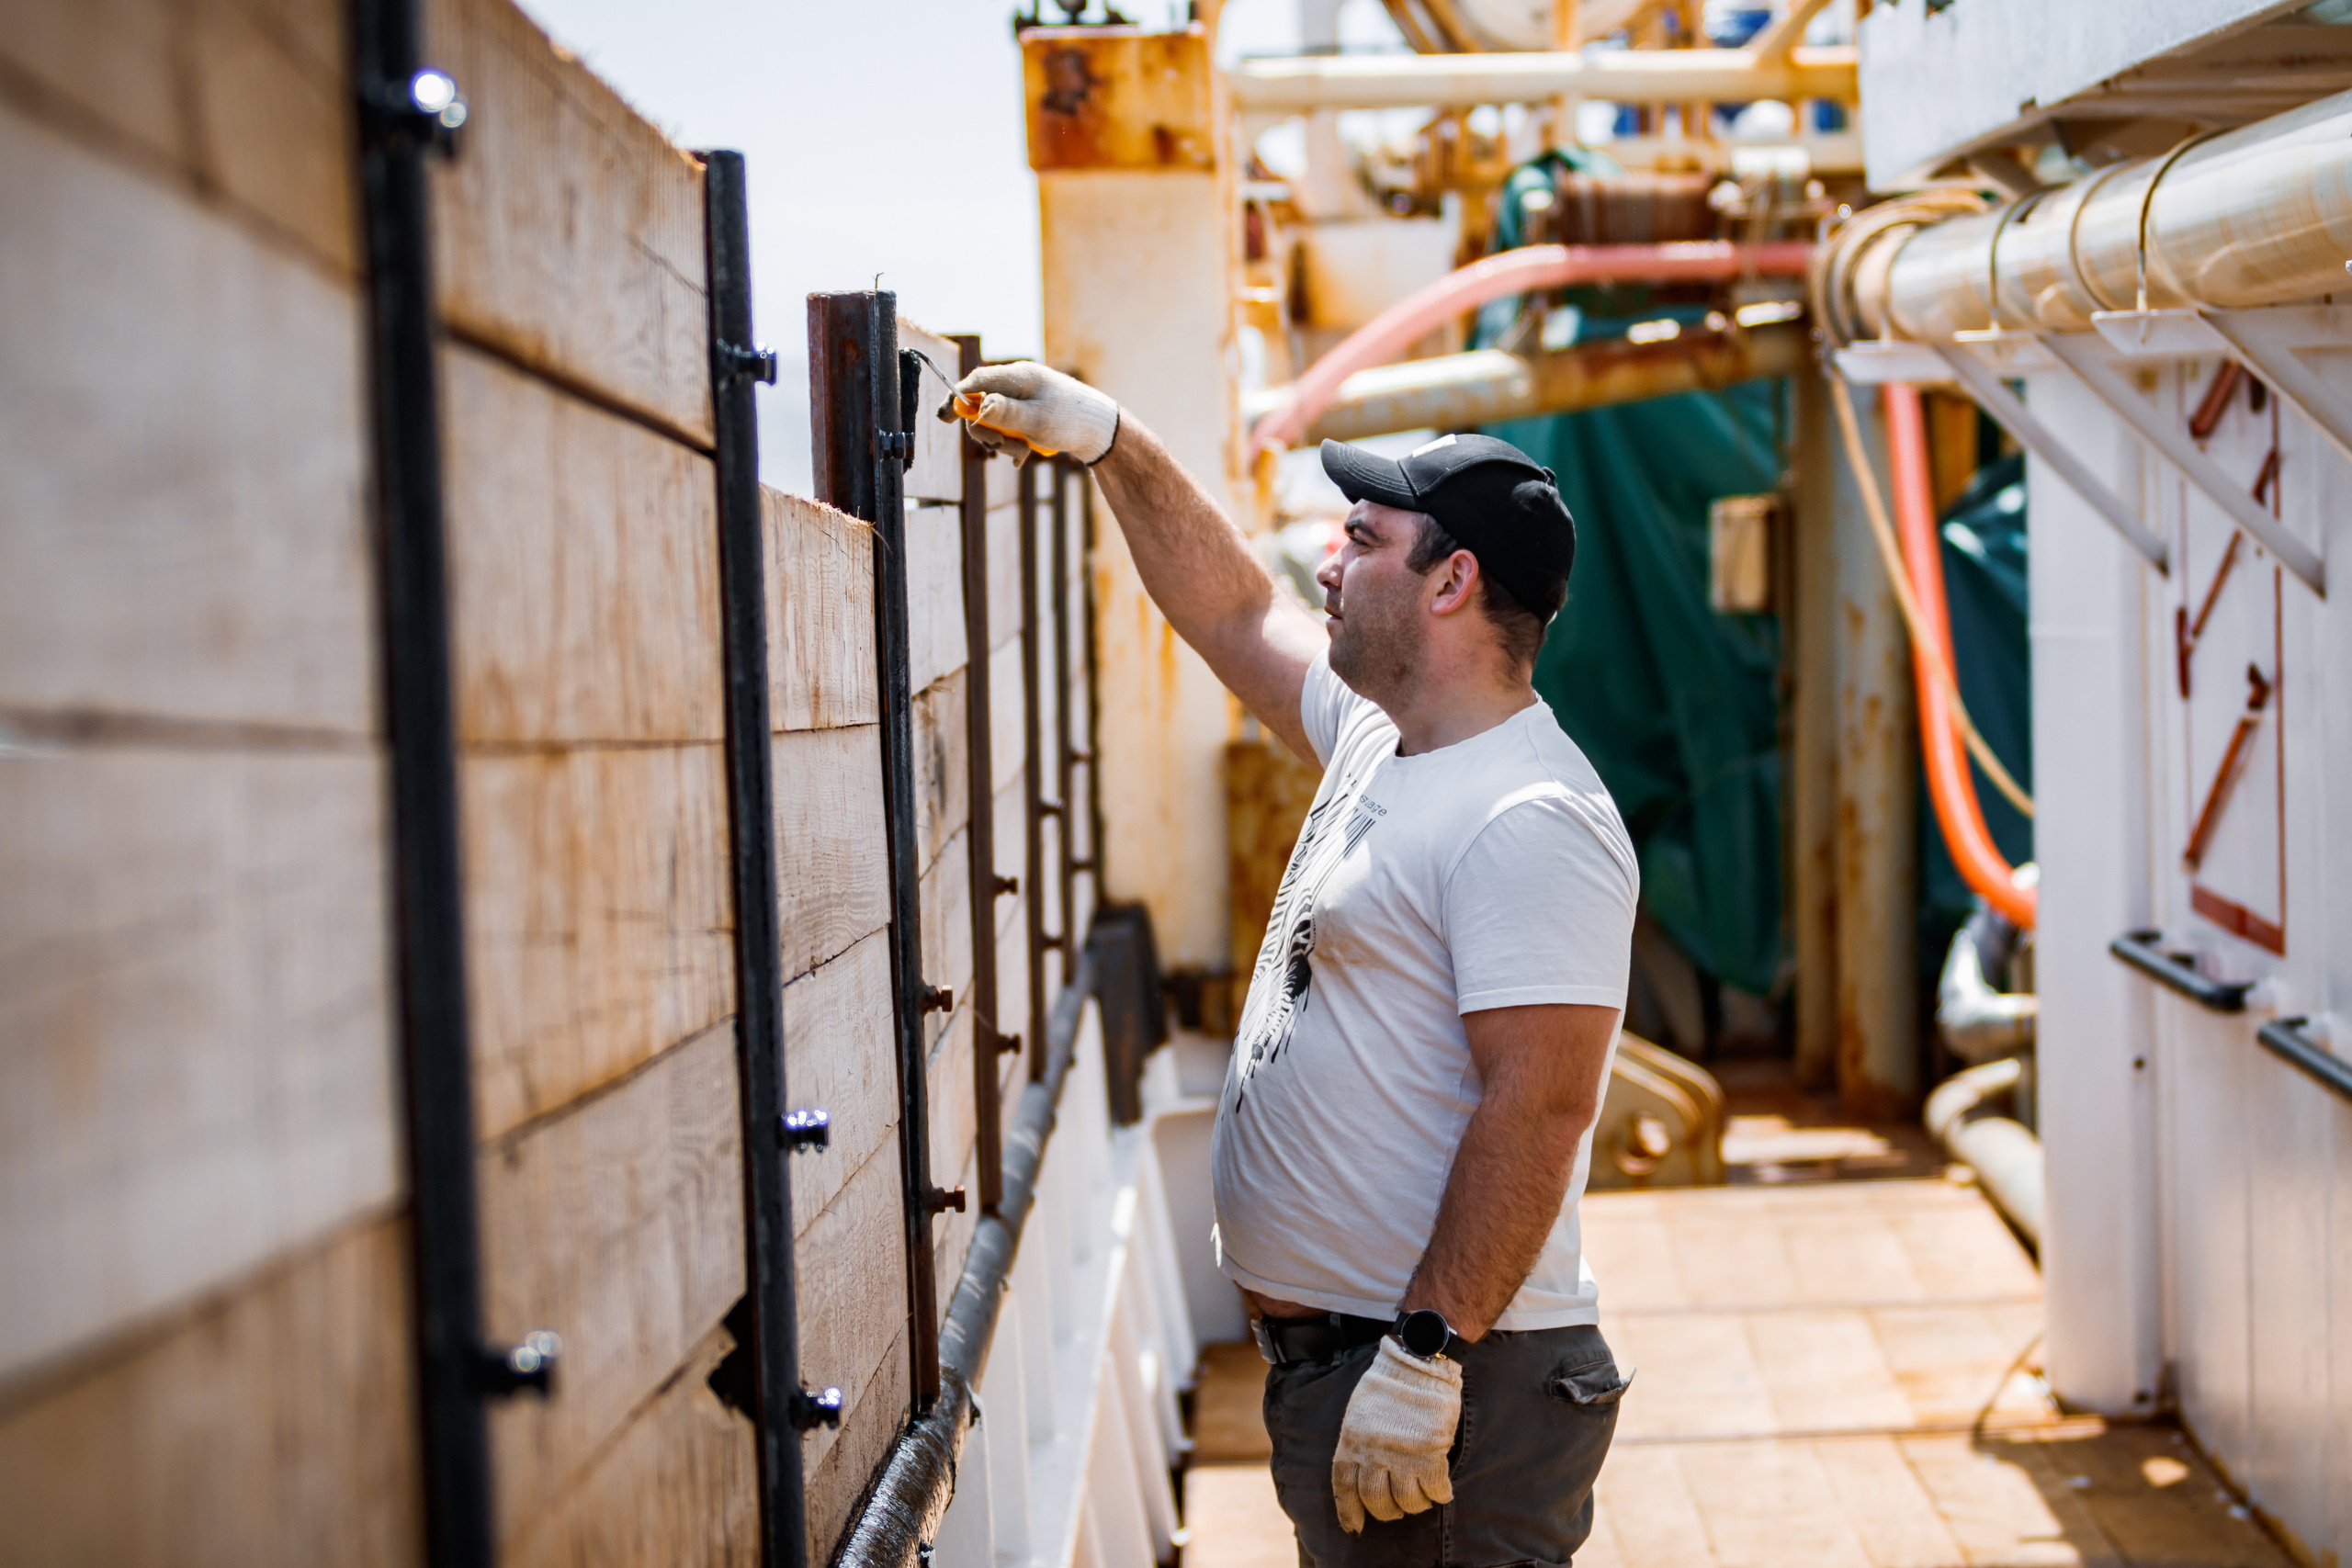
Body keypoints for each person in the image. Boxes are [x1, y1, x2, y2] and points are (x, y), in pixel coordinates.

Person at [947, 364, 1639, 1568]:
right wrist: (1110, 440)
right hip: (1356, 1365)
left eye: (1362, 540)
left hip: (1455, 1384)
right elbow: (1230, 612)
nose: (1327, 561)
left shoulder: (1529, 813)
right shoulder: (1382, 738)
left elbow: (1541, 1106)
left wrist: (1425, 1356)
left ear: (1452, 583)